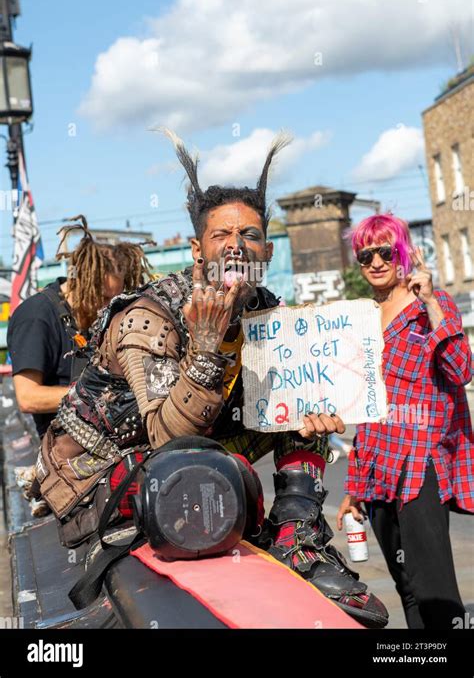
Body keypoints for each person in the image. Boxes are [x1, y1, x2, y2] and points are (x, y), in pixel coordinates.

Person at [37, 129, 388, 628]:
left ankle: (298, 541)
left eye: (249, 235)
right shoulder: (149, 318)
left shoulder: (271, 315)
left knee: (300, 403)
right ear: (199, 251)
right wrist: (204, 347)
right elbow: (164, 438)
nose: (236, 246)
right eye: (221, 235)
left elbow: (282, 409)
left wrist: (314, 414)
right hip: (107, 471)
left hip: (195, 459)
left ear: (266, 250)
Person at [336, 213, 473, 629]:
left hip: (420, 465)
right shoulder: (361, 320)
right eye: (365, 255)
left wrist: (431, 302)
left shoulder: (430, 306)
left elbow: (462, 370)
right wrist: (354, 488)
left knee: (434, 587)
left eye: (385, 251)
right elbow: (366, 413)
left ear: (402, 253)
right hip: (378, 467)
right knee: (407, 587)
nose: (376, 262)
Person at [7, 215, 153, 439]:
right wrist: (100, 396)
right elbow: (28, 397)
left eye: (116, 298)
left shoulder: (103, 318)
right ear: (82, 282)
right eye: (103, 297)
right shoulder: (37, 315)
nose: (109, 307)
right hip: (63, 457)